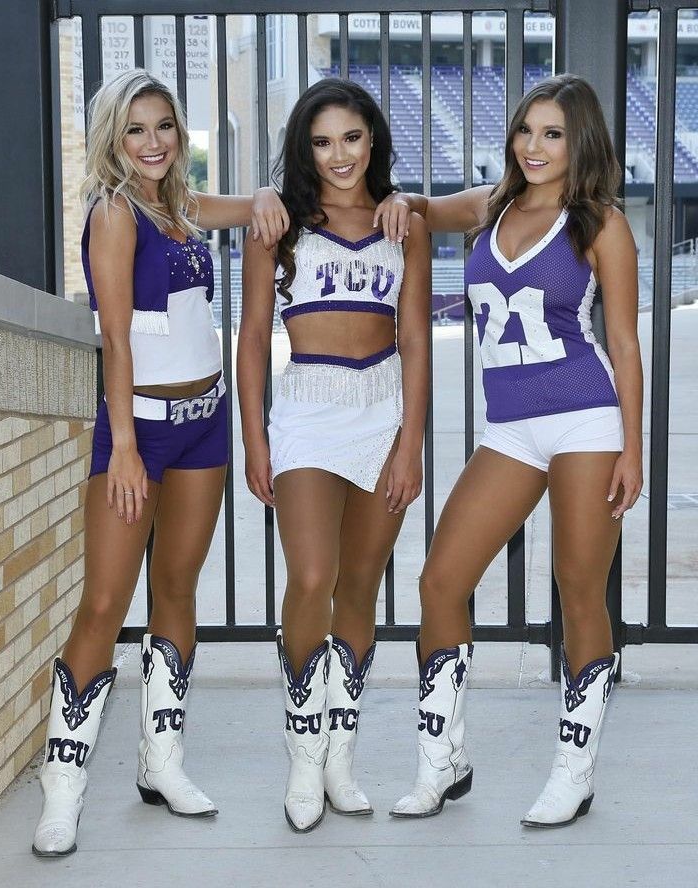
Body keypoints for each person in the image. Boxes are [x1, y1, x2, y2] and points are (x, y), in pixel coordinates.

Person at [374, 73, 643, 827]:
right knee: (439, 581)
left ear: (578, 141)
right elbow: (422, 207)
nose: (534, 146)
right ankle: (443, 761)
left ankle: (575, 771)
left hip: (587, 420)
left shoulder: (600, 225)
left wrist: (632, 448)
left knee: (579, 592)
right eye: (526, 130)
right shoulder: (491, 205)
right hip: (511, 430)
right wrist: (403, 203)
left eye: (552, 134)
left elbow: (622, 341)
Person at [31, 69, 288, 857]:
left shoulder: (178, 207)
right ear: (115, 135)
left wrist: (273, 196)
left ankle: (160, 762)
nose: (152, 142)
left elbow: (250, 207)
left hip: (204, 426)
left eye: (165, 127)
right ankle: (63, 789)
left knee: (176, 589)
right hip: (137, 435)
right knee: (105, 604)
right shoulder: (114, 214)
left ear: (180, 134)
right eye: (137, 128)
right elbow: (115, 340)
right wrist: (128, 449)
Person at [238, 78, 430, 832]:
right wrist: (256, 436)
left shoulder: (399, 223)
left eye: (351, 138)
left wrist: (410, 440)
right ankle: (304, 753)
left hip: (381, 410)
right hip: (309, 411)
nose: (339, 155)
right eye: (322, 142)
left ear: (372, 140)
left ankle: (341, 757)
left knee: (359, 588)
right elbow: (254, 335)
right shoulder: (278, 223)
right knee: (312, 576)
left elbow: (414, 338)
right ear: (304, 149)